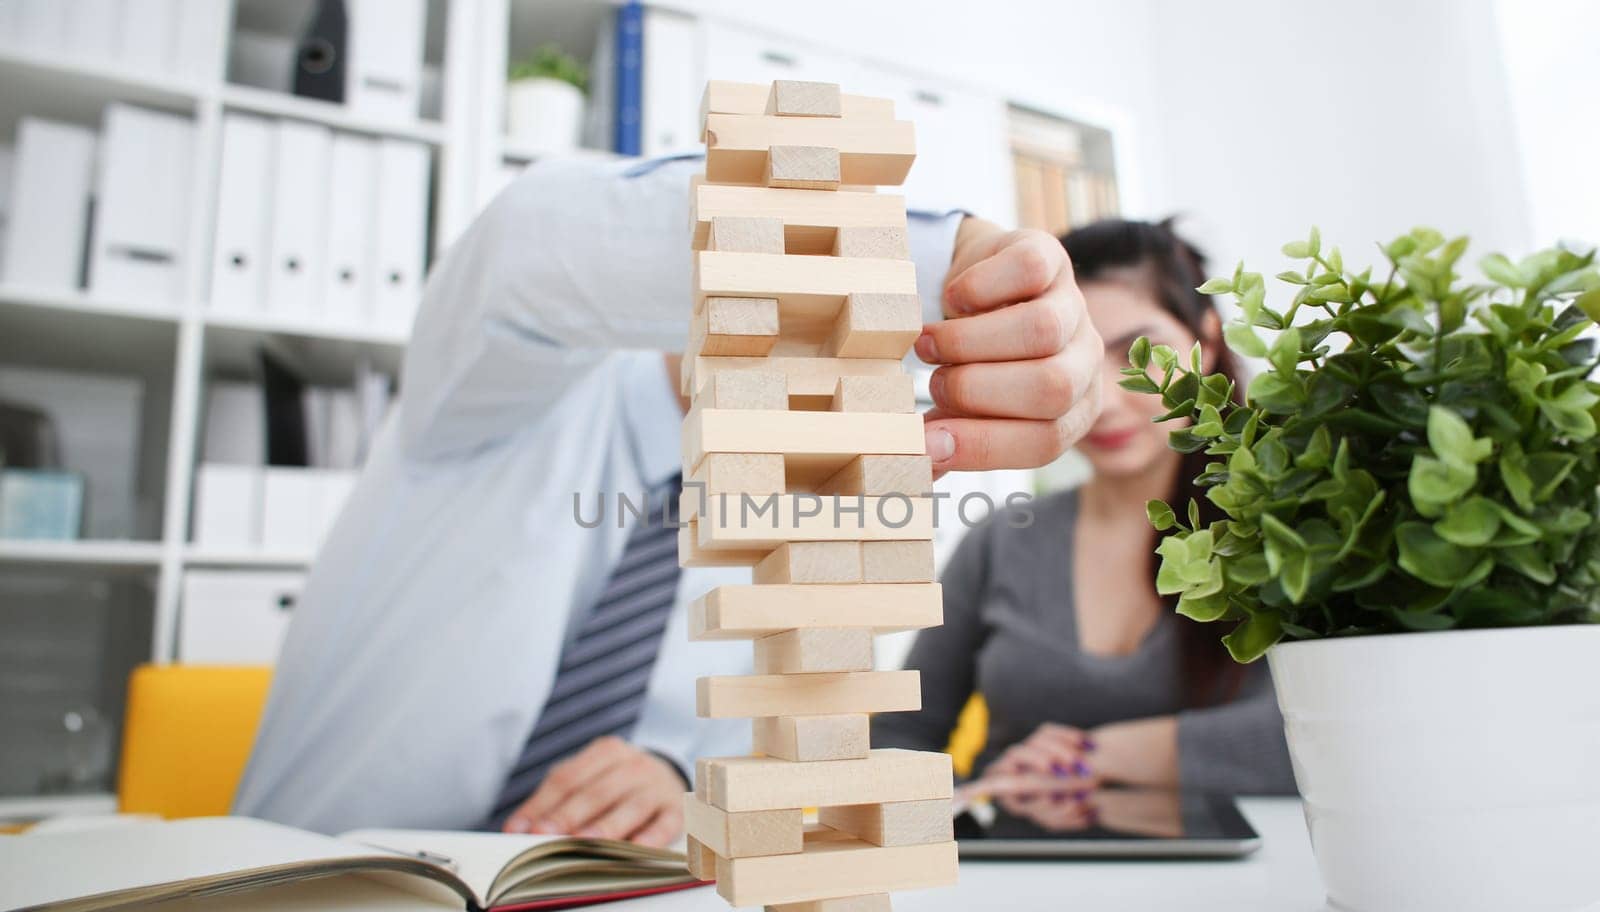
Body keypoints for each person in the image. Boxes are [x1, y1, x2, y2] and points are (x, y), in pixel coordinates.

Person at [231, 154, 1105, 843]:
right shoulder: (502, 389)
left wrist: (675, 777)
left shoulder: (800, 520)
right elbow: (530, 243)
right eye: (817, 304)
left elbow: (773, 750)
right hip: (304, 902)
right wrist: (937, 257)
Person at [873, 219, 1298, 803]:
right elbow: (902, 734)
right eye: (1077, 356)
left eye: (1139, 352)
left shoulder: (1290, 526)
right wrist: (977, 802)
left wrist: (1100, 757)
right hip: (1013, 873)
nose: (1102, 399)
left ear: (1209, 336)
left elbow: (1328, 732)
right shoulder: (1003, 541)